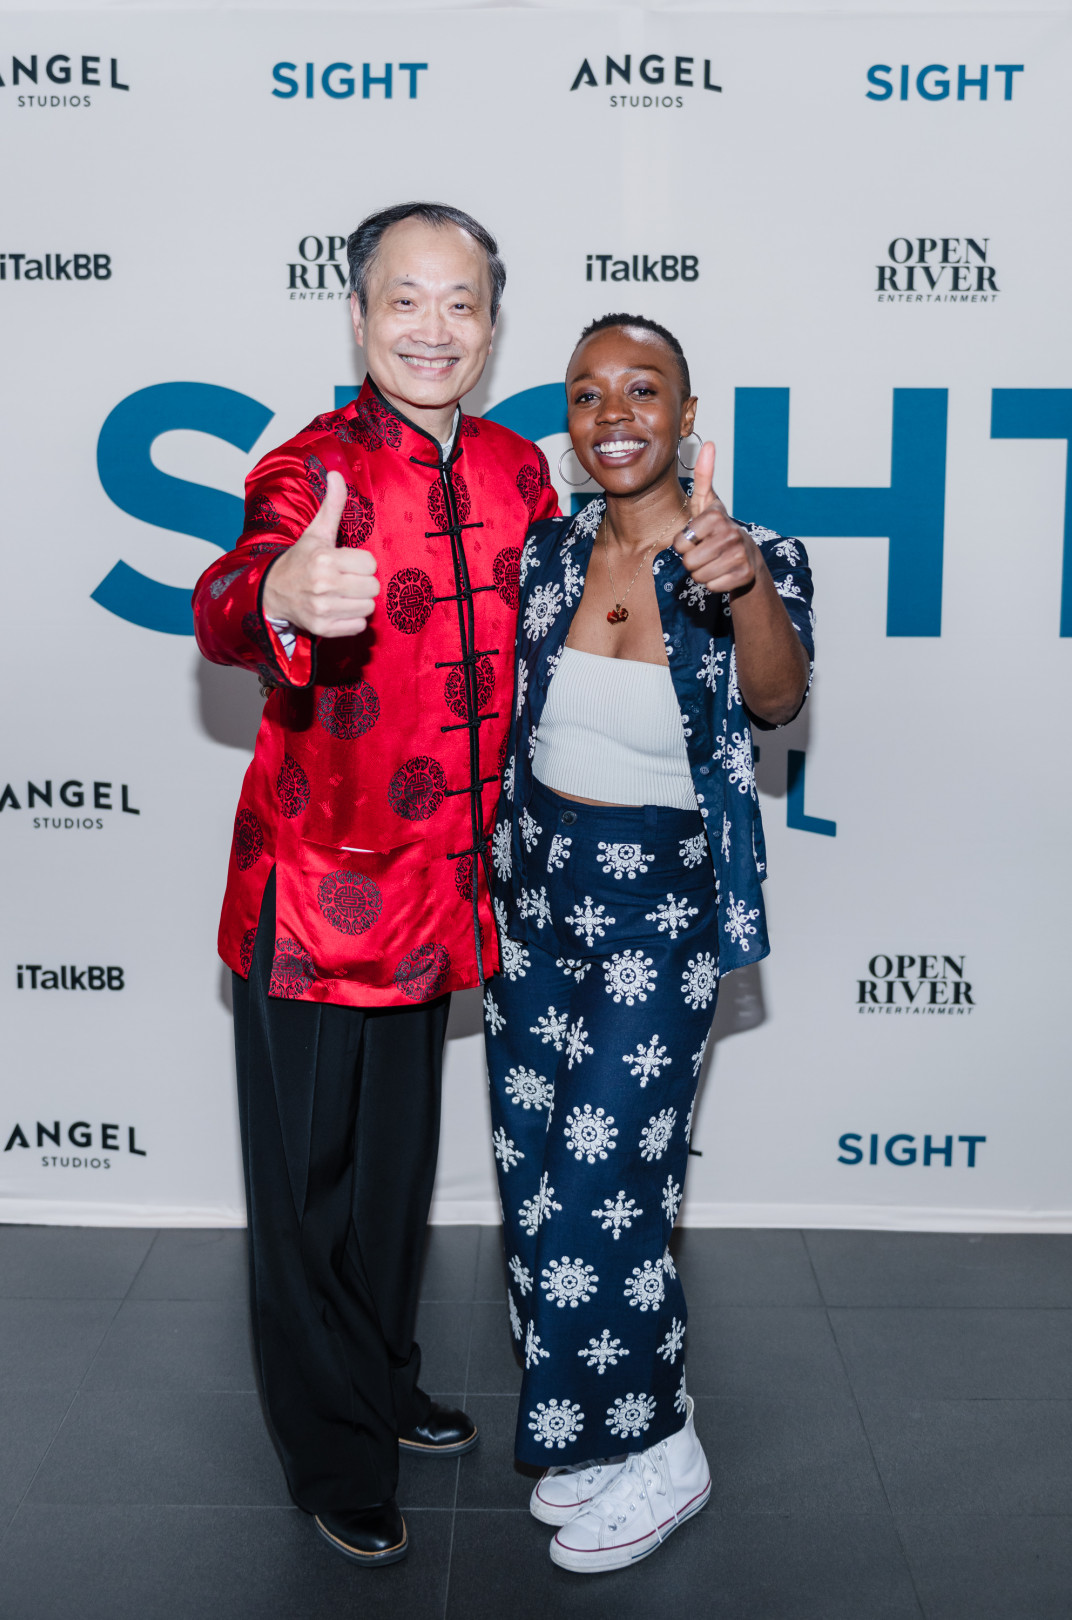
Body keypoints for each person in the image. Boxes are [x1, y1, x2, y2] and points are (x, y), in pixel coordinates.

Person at [192, 202, 559, 1568]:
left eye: (459, 304)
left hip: (445, 896)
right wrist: (282, 593)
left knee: (393, 1174)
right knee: (306, 1188)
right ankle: (332, 1451)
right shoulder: (313, 468)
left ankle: (381, 1377)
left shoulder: (524, 471)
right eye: (405, 301)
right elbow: (232, 591)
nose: (433, 329)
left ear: (490, 323)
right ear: (358, 317)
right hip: (312, 893)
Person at [485, 313, 813, 1573]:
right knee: (535, 1187)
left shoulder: (748, 553)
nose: (613, 412)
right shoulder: (545, 555)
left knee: (607, 1185)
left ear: (685, 416)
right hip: (534, 902)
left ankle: (665, 1441)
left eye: (642, 389)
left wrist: (747, 590)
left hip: (661, 911)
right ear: (568, 426)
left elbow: (780, 700)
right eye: (585, 394)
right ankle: (596, 1432)